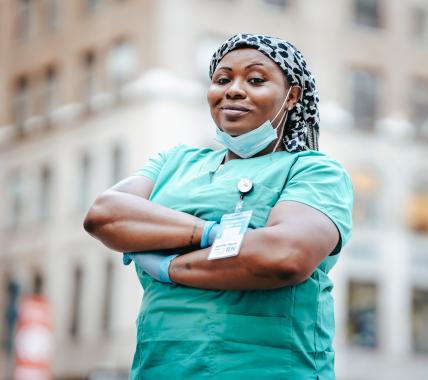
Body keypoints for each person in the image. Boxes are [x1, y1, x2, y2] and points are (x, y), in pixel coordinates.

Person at [83, 33, 353, 379]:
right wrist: (213, 235)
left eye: (255, 80)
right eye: (222, 79)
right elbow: (103, 215)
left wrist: (167, 266)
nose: (234, 90)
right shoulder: (175, 162)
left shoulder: (313, 170)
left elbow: (285, 255)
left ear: (292, 96)